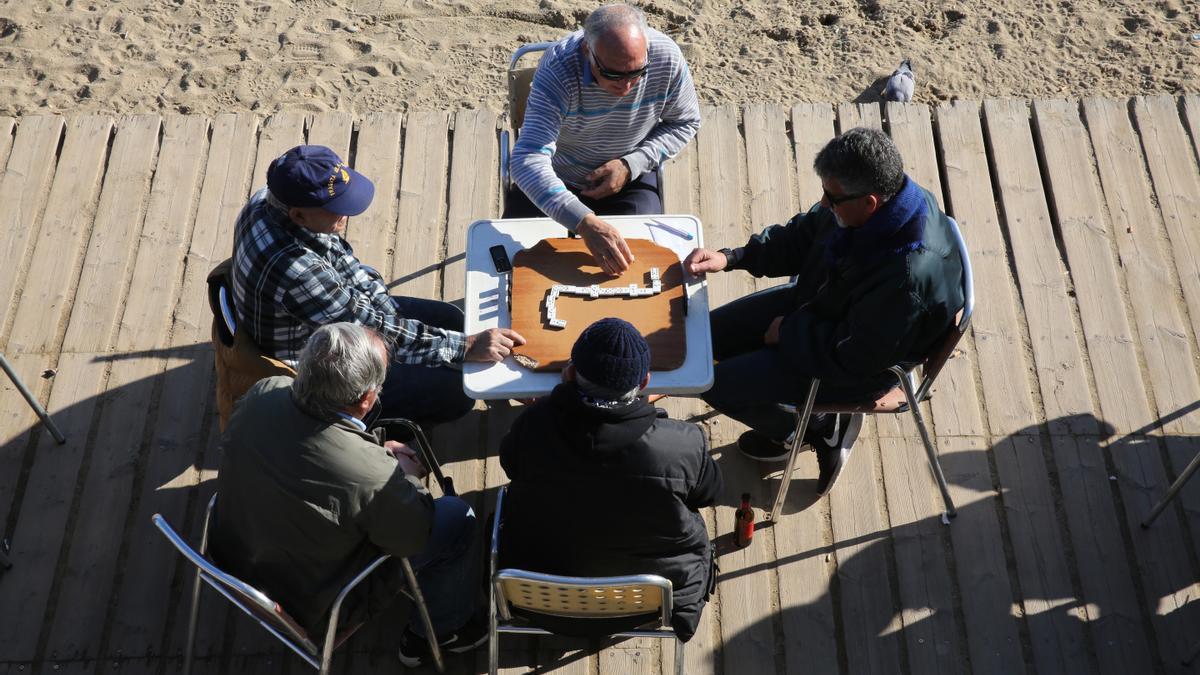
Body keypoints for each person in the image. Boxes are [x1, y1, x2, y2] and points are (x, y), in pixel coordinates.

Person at [684, 127, 964, 495]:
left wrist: (787, 333)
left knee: (710, 384)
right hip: (825, 305)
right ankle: (804, 418)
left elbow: (856, 356)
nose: (824, 203)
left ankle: (812, 429)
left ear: (870, 203)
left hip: (857, 361)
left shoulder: (905, 278)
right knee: (702, 341)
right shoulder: (875, 203)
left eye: (831, 197)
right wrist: (733, 257)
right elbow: (804, 234)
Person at [210, 323, 486, 667]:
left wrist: (371, 455)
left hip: (231, 556)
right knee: (457, 520)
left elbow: (312, 453)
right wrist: (402, 477)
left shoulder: (265, 390)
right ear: (367, 399)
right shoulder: (373, 476)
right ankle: (445, 631)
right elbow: (413, 536)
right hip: (313, 598)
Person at [232, 144, 525, 426]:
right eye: (337, 207)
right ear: (298, 214)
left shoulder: (267, 199)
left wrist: (392, 313)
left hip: (327, 314)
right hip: (320, 362)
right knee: (457, 392)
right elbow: (375, 334)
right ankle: (374, 428)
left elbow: (344, 261)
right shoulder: (298, 272)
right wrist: (466, 347)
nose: (346, 214)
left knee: (453, 319)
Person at [498, 318, 721, 641]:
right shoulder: (685, 444)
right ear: (644, 382)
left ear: (571, 373)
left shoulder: (533, 424)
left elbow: (510, 466)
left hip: (538, 593)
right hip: (646, 599)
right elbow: (709, 493)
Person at [505, 3, 701, 275]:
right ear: (587, 50)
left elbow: (685, 121)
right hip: (559, 177)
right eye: (612, 74)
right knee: (513, 268)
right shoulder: (557, 71)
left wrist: (630, 165)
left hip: (630, 178)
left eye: (637, 73)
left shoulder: (667, 58)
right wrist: (583, 221)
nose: (626, 86)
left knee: (638, 269)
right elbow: (528, 159)